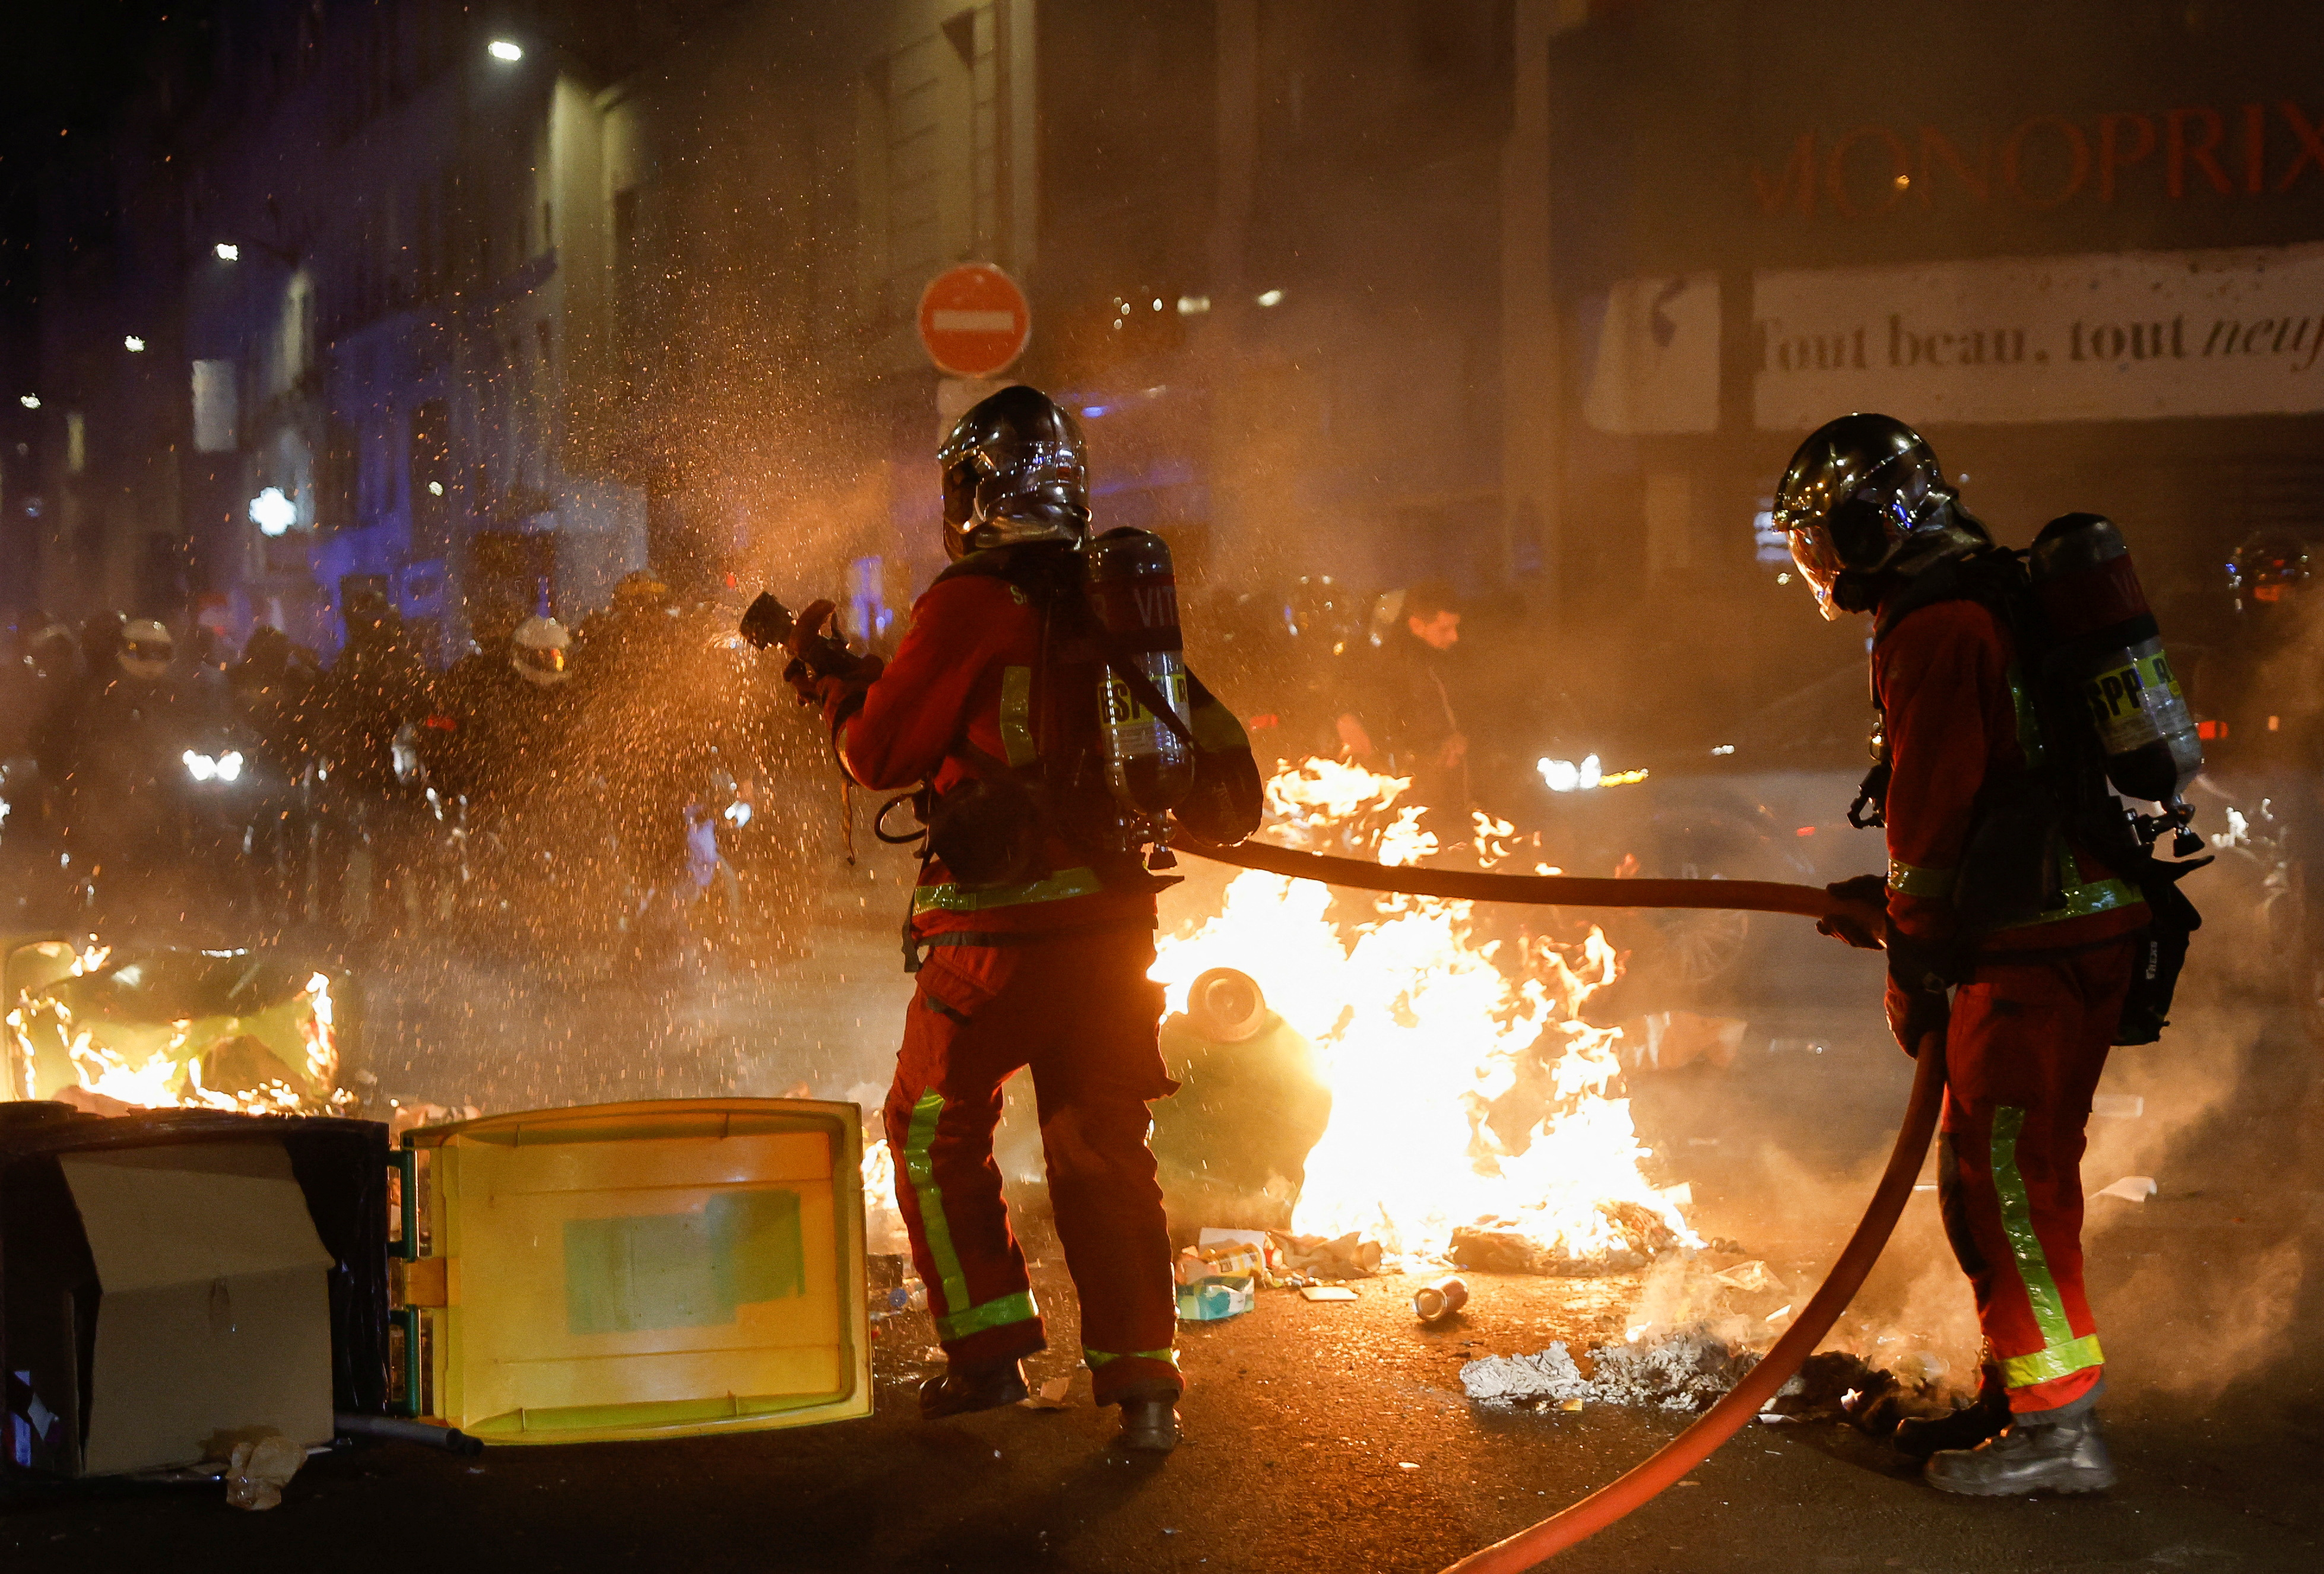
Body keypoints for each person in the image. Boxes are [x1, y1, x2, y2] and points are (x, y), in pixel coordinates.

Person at [779, 384, 1261, 1454]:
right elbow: (1211, 745)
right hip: (1113, 933)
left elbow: (881, 756)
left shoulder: (967, 602)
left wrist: (831, 692)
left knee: (929, 1125)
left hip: (994, 937)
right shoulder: (1117, 599)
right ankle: (1145, 1390)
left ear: (973, 494)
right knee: (1104, 1148)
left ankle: (988, 1355)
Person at [1776, 412, 2152, 1497]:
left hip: (2029, 945)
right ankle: (2019, 1390)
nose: (1823, 568)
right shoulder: (1986, 587)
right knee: (2005, 1174)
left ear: (1864, 523)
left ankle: (2060, 1431)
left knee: (2008, 1185)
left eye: (1823, 541)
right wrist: (1894, 913)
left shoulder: (1933, 623)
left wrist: (1912, 959)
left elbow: (1931, 818)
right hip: (2074, 923)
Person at [1335, 578, 1468, 813]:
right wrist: (1430, 754)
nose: (1455, 637)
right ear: (1417, 625)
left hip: (1450, 792)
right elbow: (1385, 730)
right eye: (1445, 628)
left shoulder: (1446, 660)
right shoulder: (1387, 666)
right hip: (1410, 801)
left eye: (1456, 627)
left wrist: (1460, 737)